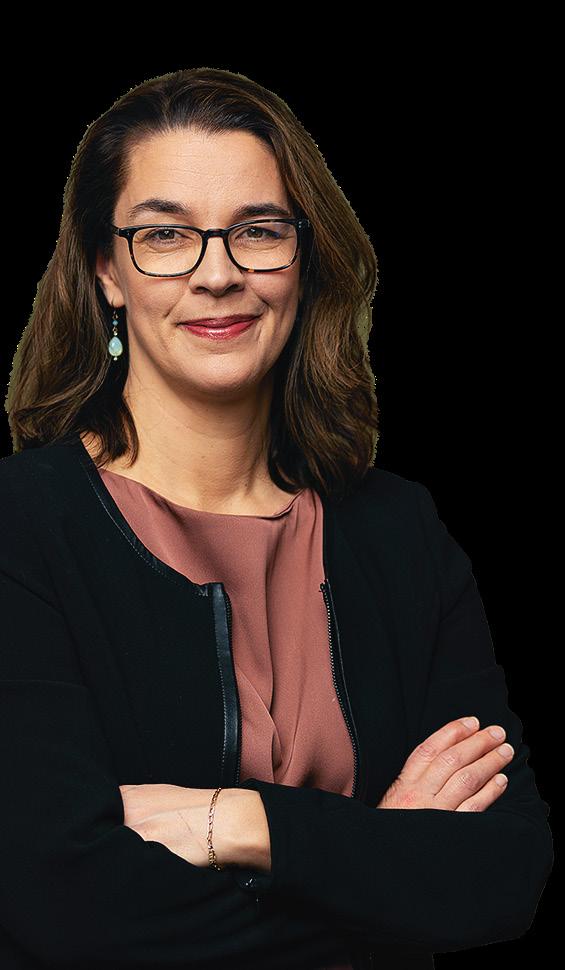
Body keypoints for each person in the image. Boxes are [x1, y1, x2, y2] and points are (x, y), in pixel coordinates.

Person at [0, 67, 553, 970]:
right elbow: (61, 909)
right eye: (166, 235)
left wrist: (236, 823)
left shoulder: (398, 531)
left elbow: (502, 871)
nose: (218, 274)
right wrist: (383, 854)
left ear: (304, 259)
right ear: (105, 269)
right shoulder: (21, 528)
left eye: (258, 231)